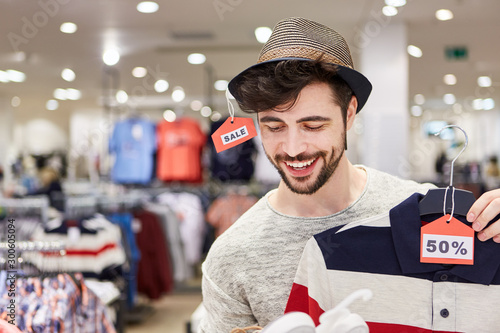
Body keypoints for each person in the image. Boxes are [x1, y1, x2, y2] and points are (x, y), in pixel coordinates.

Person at [199, 17, 500, 332]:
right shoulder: (232, 256)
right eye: (274, 127)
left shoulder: (422, 213)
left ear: (349, 113)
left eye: (313, 125)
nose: (292, 148)